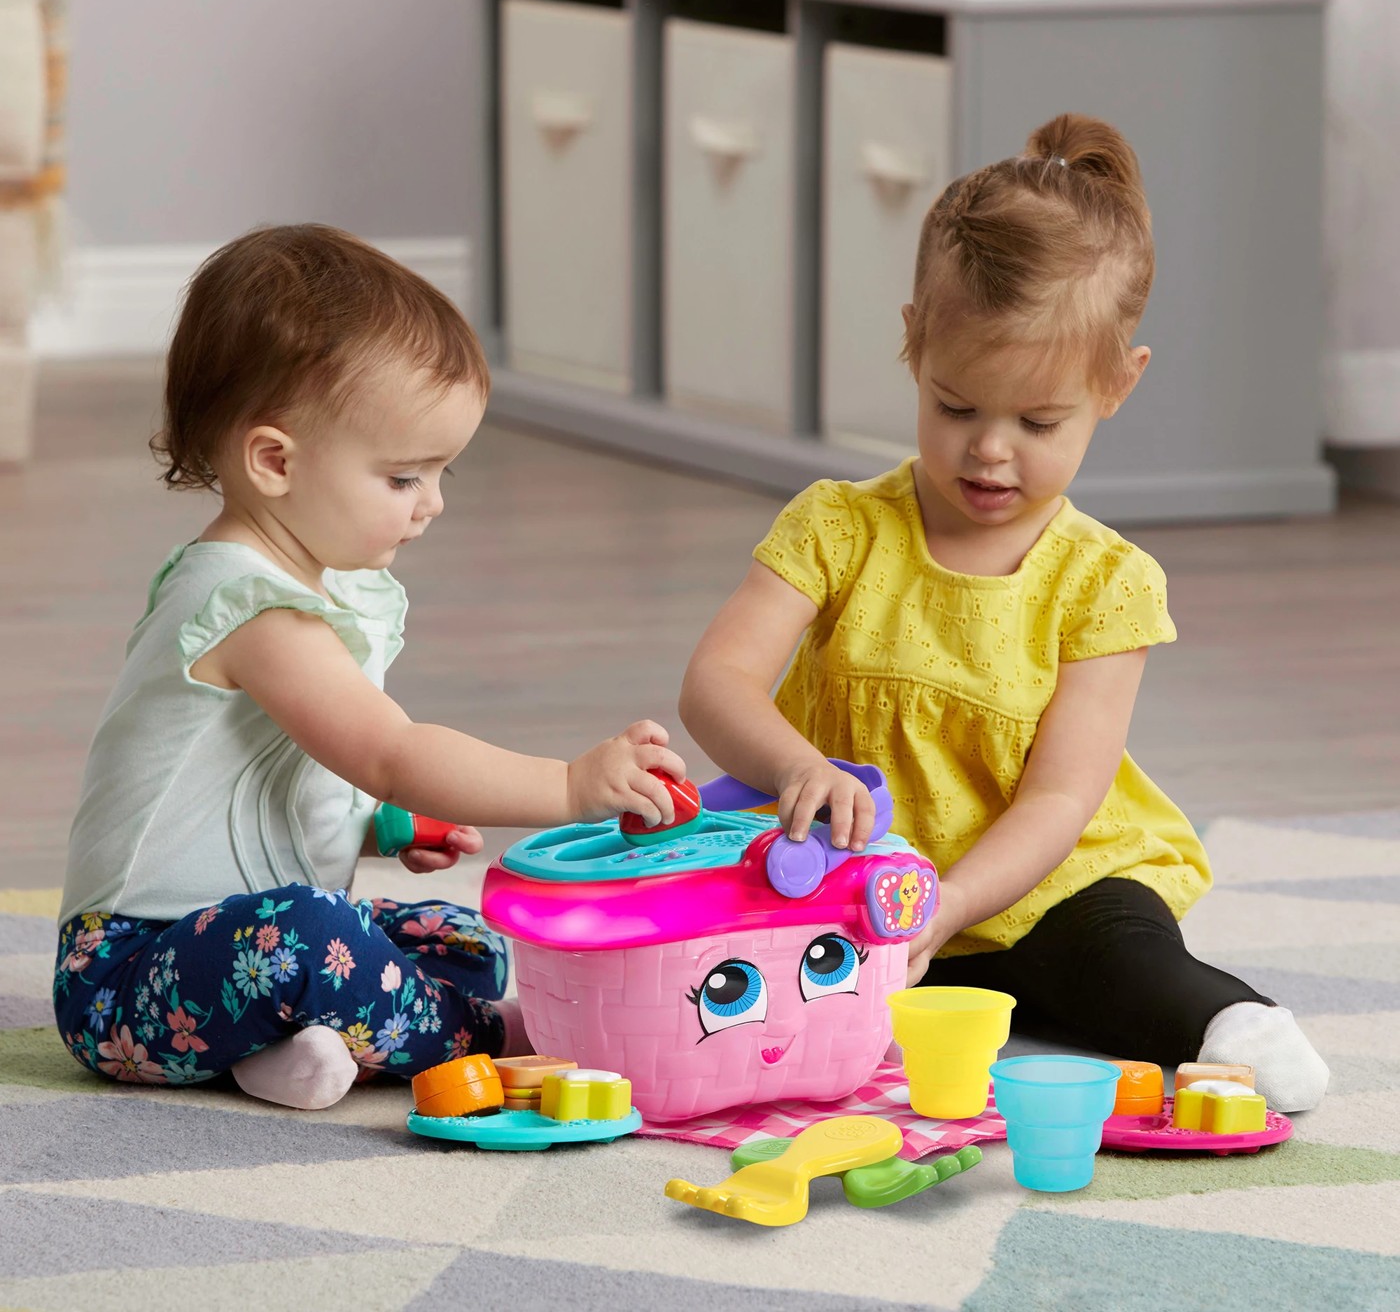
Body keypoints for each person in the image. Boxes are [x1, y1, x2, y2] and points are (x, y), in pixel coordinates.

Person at [679, 113, 1328, 1112]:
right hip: (861, 883)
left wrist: (956, 902)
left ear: (1118, 384)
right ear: (911, 343)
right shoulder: (838, 526)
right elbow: (715, 680)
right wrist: (794, 765)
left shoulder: (1104, 582)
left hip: (1042, 885)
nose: (988, 450)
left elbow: (1060, 802)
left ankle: (1231, 1019)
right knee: (753, 977)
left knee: (1118, 953)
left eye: (1036, 422)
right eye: (954, 406)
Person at [53, 224, 686, 1110]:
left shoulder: (302, 582)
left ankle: (279, 1054)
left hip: (233, 949)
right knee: (314, 938)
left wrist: (380, 825)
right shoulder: (251, 608)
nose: (430, 506)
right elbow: (387, 749)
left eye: (441, 475)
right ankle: (499, 1038)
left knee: (465, 937)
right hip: (127, 977)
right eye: (402, 478)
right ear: (275, 461)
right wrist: (571, 783)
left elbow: (267, 782)